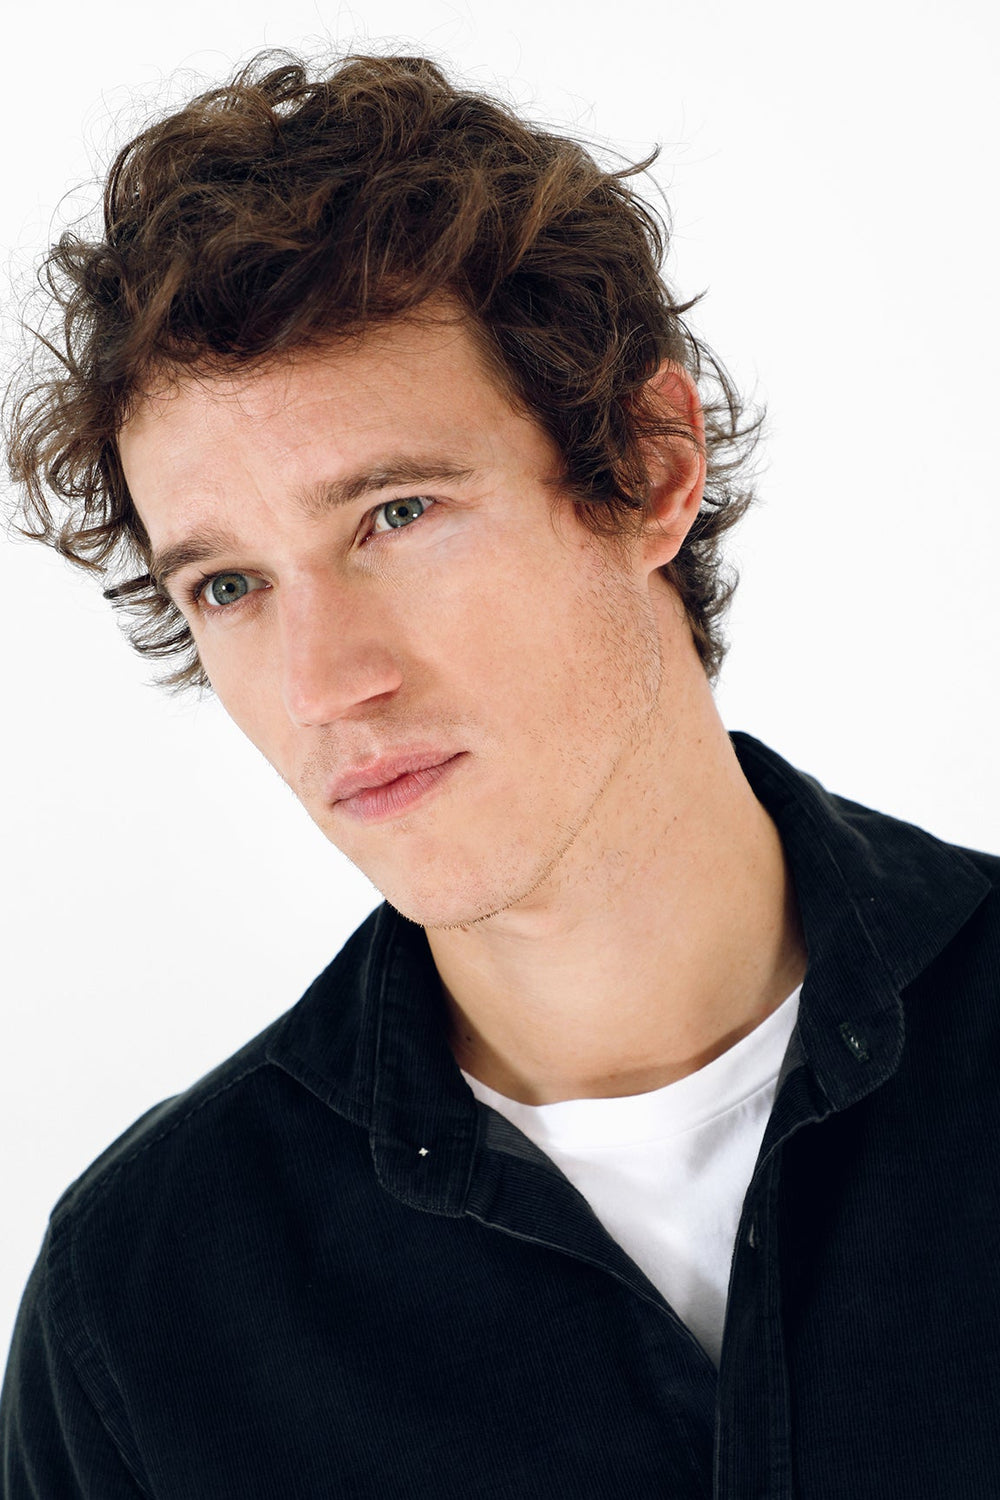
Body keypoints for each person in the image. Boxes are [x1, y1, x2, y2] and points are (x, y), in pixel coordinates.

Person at [1, 49, 997, 1500]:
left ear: (651, 469)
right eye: (229, 586)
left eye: (397, 514)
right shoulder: (143, 1307)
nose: (324, 685)